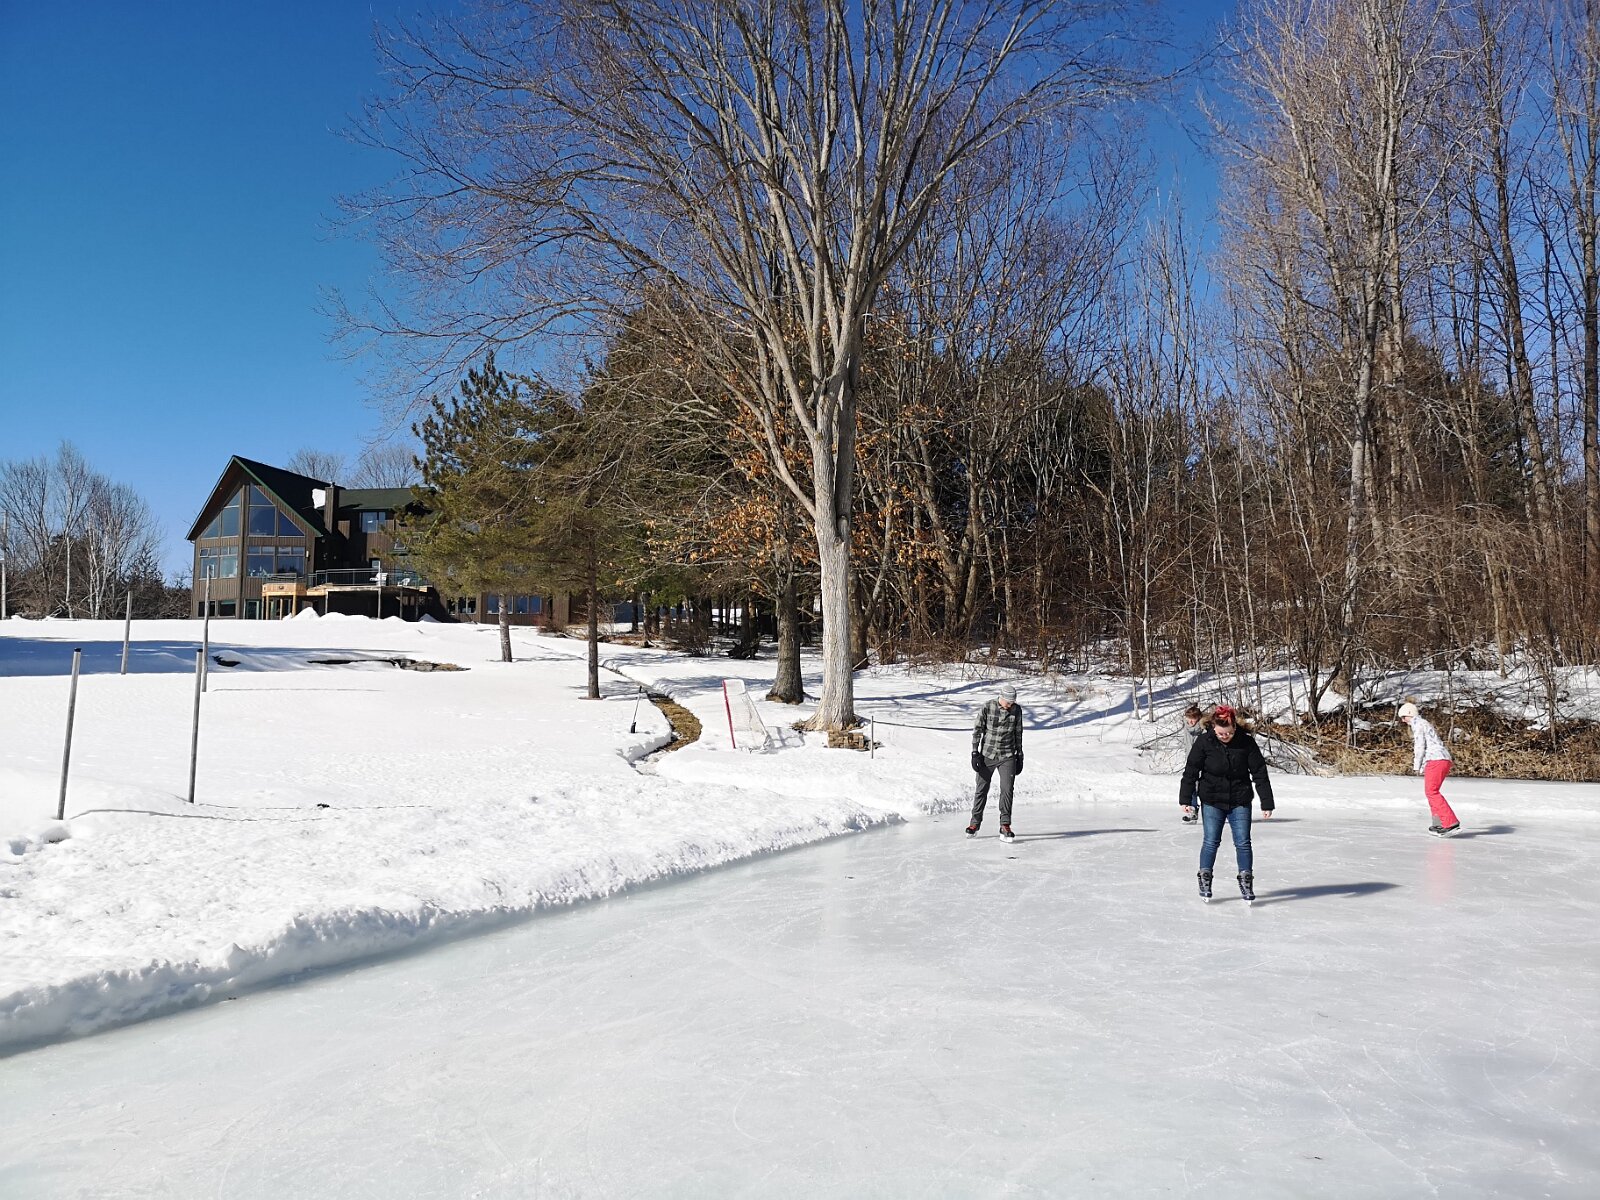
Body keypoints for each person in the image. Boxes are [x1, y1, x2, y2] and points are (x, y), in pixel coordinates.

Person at [1179, 704, 1275, 902]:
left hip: (1240, 799)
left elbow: (1259, 772)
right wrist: (1185, 799)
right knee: (1211, 841)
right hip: (1212, 800)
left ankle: (1246, 880)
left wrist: (1267, 802)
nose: (1225, 736)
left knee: (1243, 842)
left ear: (1235, 727)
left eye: (1229, 733)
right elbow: (1191, 771)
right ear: (1213, 728)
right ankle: (1205, 878)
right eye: (1221, 733)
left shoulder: (1246, 742)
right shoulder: (1205, 742)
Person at [968, 684, 1024, 841]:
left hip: (1008, 755)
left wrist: (1020, 755)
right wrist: (975, 752)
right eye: (1008, 702)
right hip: (988, 754)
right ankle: (974, 823)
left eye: (1012, 702)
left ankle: (1005, 824)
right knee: (981, 789)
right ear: (1001, 697)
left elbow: (1018, 733)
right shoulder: (988, 707)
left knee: (1007, 790)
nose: (1010, 705)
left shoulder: (1017, 710)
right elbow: (977, 730)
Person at [1398, 701, 1459, 836]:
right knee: (1431, 791)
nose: (1403, 721)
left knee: (1432, 792)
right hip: (1442, 759)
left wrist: (1416, 765)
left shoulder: (1418, 724)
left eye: (1403, 717)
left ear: (1410, 714)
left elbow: (1420, 747)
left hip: (1436, 759)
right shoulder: (1424, 723)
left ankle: (1450, 822)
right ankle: (1439, 822)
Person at [1180, 704, 1205, 823]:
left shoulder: (1204, 729)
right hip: (1191, 761)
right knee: (1191, 785)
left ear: (1198, 718)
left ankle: (1210, 810)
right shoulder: (1186, 727)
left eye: (1193, 718)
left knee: (1204, 787)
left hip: (1204, 762)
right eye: (1188, 718)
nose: (1190, 721)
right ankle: (1193, 809)